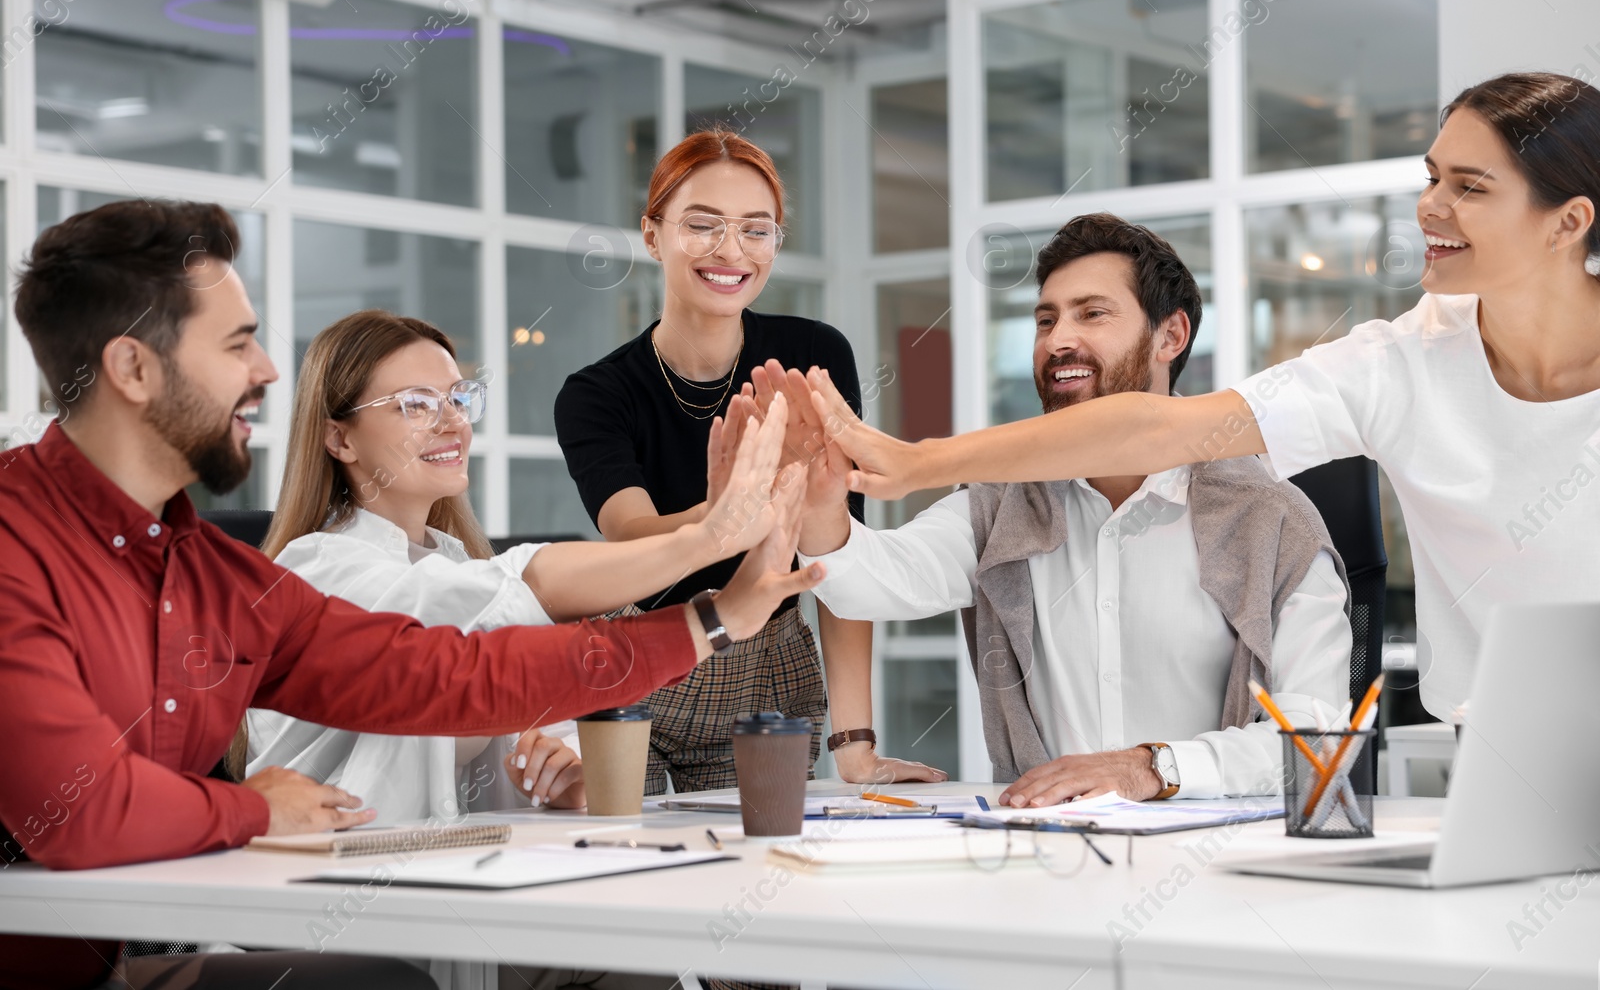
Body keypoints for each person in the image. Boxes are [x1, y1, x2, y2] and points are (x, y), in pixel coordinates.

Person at [0, 200, 819, 990]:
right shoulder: (16, 549)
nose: (267, 371)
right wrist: (249, 806)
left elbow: (452, 676)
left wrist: (714, 614)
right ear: (133, 368)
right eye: (238, 344)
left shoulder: (216, 576)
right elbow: (83, 809)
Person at [803, 71, 1600, 726]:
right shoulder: (1399, 366)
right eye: (1431, 177)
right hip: (1499, 754)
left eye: (1469, 186)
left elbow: (1307, 729)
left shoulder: (1266, 526)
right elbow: (1162, 428)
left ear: (1567, 223)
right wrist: (915, 464)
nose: (1430, 207)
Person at [248, 309, 798, 990]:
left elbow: (515, 677)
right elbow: (499, 599)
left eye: (458, 398)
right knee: (636, 955)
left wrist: (561, 779)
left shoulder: (450, 558)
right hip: (336, 913)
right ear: (339, 437)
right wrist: (706, 544)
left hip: (458, 896)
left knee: (646, 950)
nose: (451, 422)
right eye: (416, 405)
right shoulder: (318, 569)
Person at [783, 214, 1351, 805]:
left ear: (1171, 336)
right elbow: (876, 584)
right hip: (1045, 857)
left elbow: (1317, 738)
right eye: (1046, 319)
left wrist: (1152, 769)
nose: (1058, 340)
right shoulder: (1006, 501)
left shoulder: (1272, 519)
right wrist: (820, 504)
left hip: (1213, 863)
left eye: (1092, 313)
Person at [554, 129, 943, 794]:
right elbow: (629, 536)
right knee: (626, 858)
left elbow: (840, 556)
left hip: (766, 660)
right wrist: (726, 512)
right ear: (651, 235)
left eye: (756, 231)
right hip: (640, 652)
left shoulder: (812, 356)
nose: (731, 251)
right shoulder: (598, 392)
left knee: (756, 861)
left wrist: (857, 745)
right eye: (702, 225)